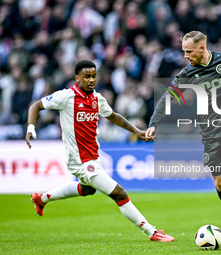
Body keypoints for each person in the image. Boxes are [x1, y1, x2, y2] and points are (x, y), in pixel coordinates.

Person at [25, 60, 174, 242]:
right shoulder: (66, 97)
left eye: (94, 76)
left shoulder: (97, 98)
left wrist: (137, 131)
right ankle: (152, 232)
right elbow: (36, 105)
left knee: (88, 190)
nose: (91, 80)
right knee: (119, 193)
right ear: (77, 78)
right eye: (87, 76)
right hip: (80, 160)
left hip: (93, 157)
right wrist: (31, 127)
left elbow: (112, 116)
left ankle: (42, 198)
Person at [145, 31, 221, 243]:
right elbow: (166, 97)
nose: (185, 56)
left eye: (188, 51)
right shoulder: (188, 72)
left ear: (201, 48)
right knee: (220, 182)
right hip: (210, 132)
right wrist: (154, 122)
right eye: (183, 51)